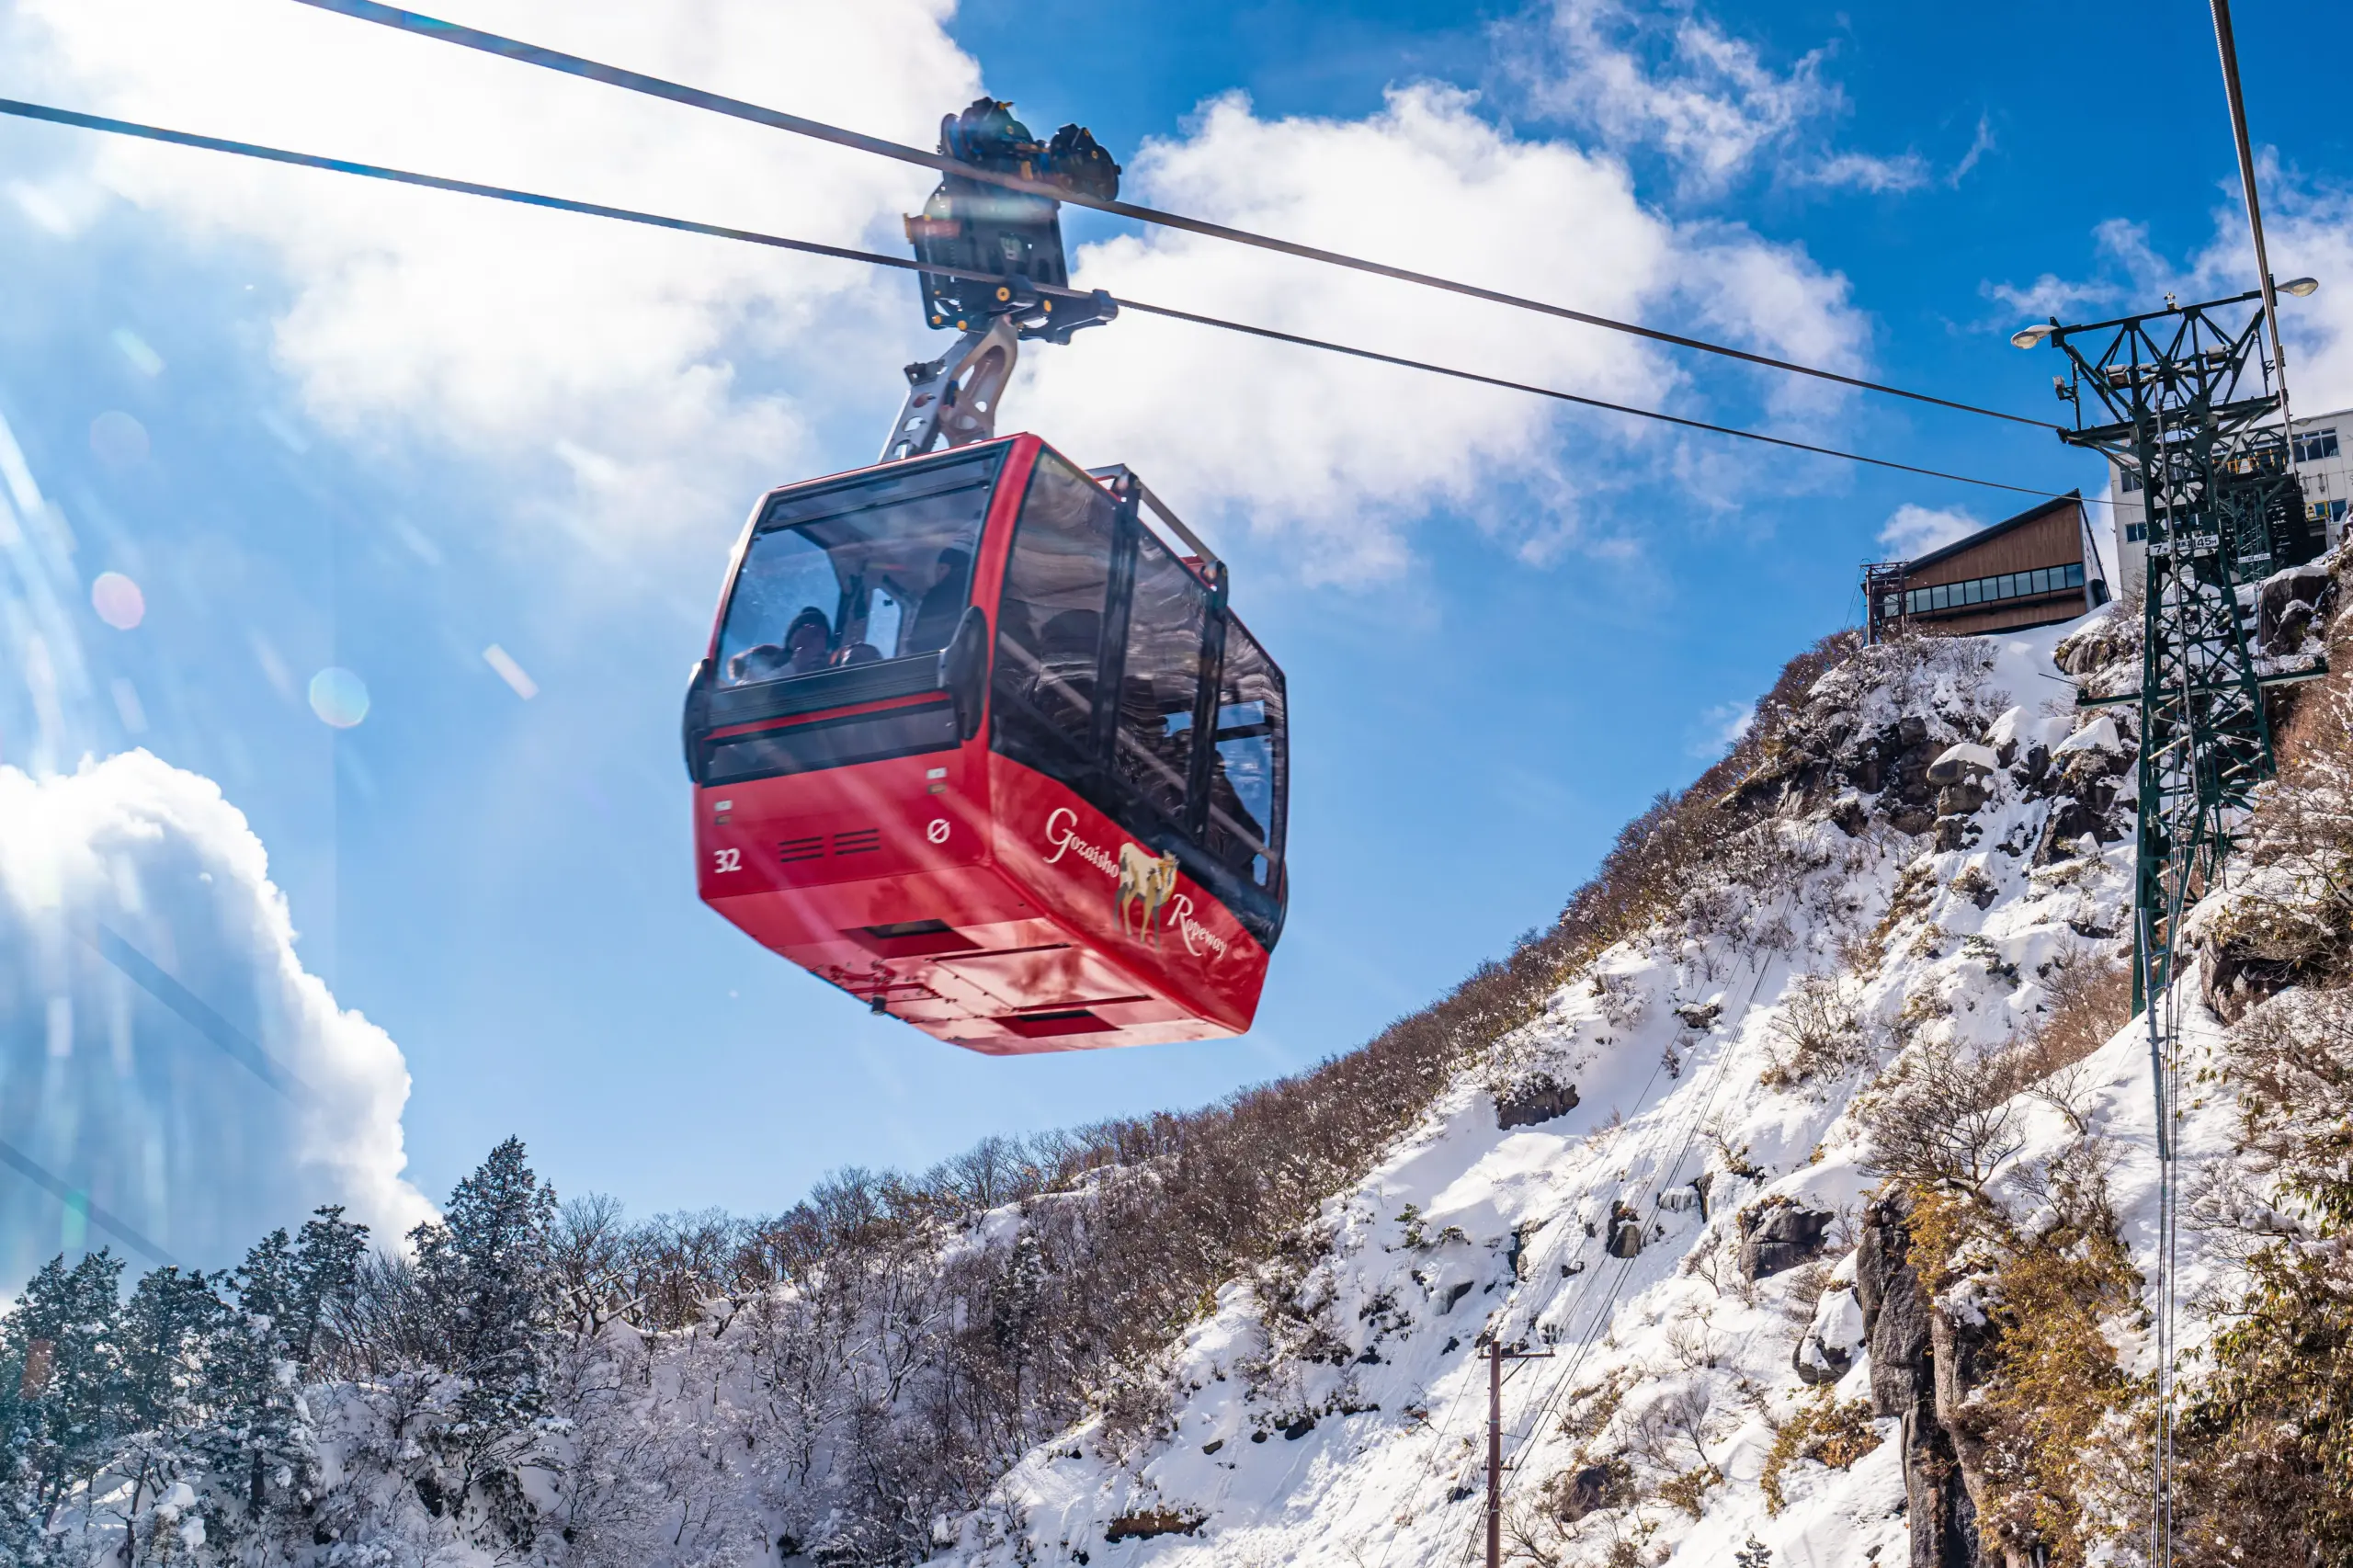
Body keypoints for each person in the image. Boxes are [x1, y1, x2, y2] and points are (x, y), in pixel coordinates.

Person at [907, 548, 972, 652]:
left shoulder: (936, 595)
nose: (937, 574)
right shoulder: (972, 594)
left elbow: (919, 642)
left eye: (941, 569)